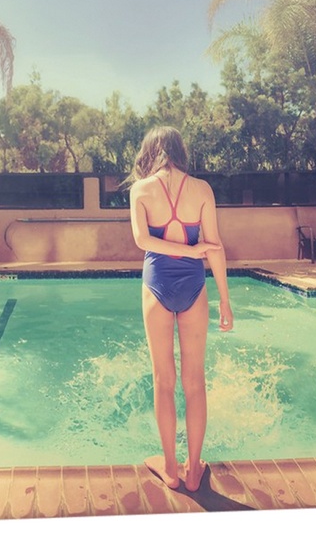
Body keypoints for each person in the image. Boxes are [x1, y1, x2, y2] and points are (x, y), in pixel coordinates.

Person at [126, 126, 233, 492]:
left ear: (150, 151)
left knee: (163, 380)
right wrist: (225, 301)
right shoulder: (202, 190)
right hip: (194, 285)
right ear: (178, 150)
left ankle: (170, 469)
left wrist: (182, 252)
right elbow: (214, 247)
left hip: (156, 286)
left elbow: (142, 239)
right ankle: (193, 472)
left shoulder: (141, 190)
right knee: (194, 382)